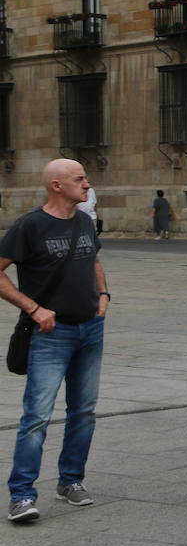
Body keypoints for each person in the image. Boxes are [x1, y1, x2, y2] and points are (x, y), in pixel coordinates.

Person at [1, 159, 108, 524]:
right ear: (57, 185)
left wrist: (104, 294)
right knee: (36, 416)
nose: (87, 183)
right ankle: (21, 494)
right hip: (50, 334)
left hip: (90, 330)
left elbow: (92, 258)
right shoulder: (29, 226)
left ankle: (71, 481)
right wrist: (34, 308)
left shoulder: (83, 221)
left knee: (84, 411)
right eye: (80, 179)